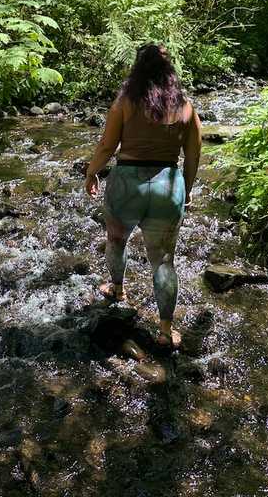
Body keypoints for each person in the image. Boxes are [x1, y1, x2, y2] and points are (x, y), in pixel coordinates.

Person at [84, 44, 202, 348]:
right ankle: (165, 330)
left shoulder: (125, 102)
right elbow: (193, 156)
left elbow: (107, 146)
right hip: (167, 186)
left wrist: (91, 172)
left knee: (116, 240)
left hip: (127, 185)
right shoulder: (186, 107)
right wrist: (186, 189)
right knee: (163, 261)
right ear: (169, 72)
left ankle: (118, 289)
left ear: (137, 69)